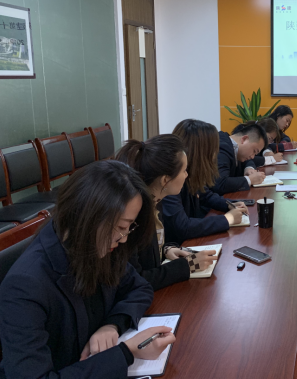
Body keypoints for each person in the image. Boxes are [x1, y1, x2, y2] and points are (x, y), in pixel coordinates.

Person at [0, 160, 176, 378]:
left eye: (129, 227)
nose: (123, 239)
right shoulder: (25, 285)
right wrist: (127, 353)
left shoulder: (98, 245)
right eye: (121, 227)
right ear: (87, 216)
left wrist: (112, 325)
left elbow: (139, 287)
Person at [116, 135, 217, 291]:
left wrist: (166, 250)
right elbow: (136, 279)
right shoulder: (133, 216)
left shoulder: (156, 200)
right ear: (165, 180)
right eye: (184, 170)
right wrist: (187, 266)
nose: (187, 175)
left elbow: (151, 251)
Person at [161, 119, 248, 247]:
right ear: (200, 152)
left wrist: (229, 204)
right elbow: (183, 227)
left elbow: (205, 194)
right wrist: (227, 219)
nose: (215, 156)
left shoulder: (190, 172)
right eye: (213, 150)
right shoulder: (170, 179)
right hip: (175, 248)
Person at [212, 122, 268, 195]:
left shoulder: (234, 147)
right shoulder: (222, 147)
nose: (253, 156)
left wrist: (248, 168)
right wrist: (249, 180)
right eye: (254, 151)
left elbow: (247, 161)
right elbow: (220, 183)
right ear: (244, 139)